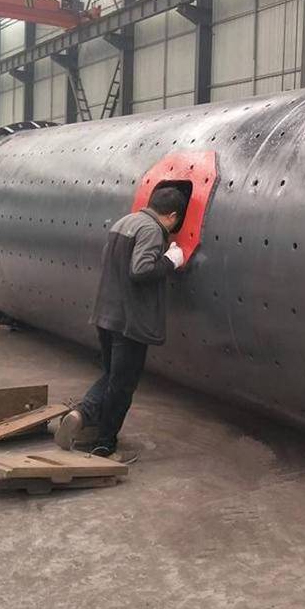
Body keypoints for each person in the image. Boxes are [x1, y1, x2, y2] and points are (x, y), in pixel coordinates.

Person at [55, 186, 187, 463]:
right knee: (122, 385)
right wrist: (170, 261)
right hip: (130, 322)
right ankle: (105, 447)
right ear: (173, 216)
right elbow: (141, 270)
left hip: (106, 315)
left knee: (112, 376)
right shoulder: (151, 229)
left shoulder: (124, 222)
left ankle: (83, 416)